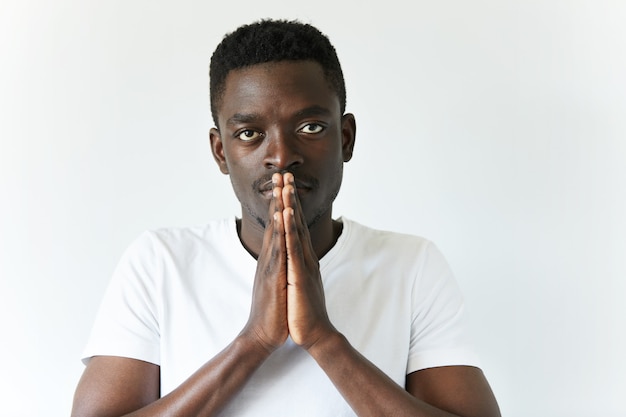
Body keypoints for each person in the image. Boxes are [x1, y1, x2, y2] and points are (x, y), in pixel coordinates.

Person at [71, 19, 501, 417]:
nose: (281, 156)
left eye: (310, 127)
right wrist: (254, 342)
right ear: (221, 151)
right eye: (249, 134)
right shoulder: (160, 262)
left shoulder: (411, 265)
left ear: (345, 138)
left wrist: (323, 339)